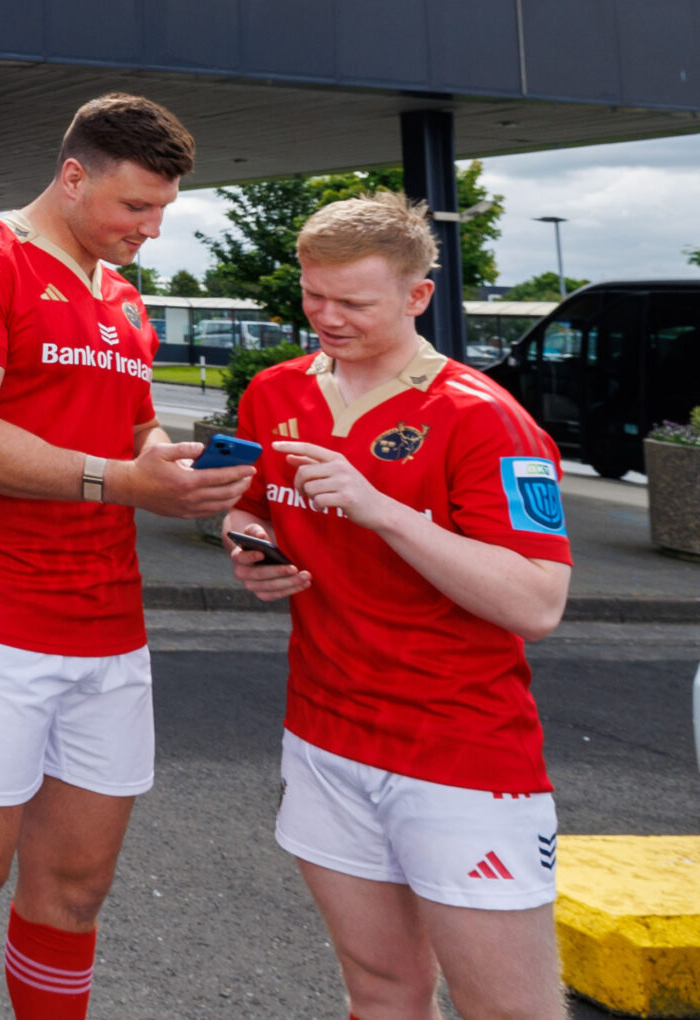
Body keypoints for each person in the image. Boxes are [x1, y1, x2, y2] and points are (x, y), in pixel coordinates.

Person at [0, 95, 251, 1020]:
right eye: (136, 207)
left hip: (108, 626)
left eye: (163, 210)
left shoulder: (122, 297)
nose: (152, 229)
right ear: (74, 176)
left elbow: (135, 428)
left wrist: (179, 471)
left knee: (77, 893)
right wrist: (124, 482)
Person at [226, 196, 571, 1020]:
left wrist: (381, 510)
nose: (326, 317)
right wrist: (245, 543)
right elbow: (246, 504)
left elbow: (537, 602)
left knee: (508, 1011)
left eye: (353, 302)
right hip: (323, 735)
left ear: (418, 296)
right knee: (381, 991)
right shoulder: (274, 391)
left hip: (459, 753)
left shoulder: (485, 418)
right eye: (314, 295)